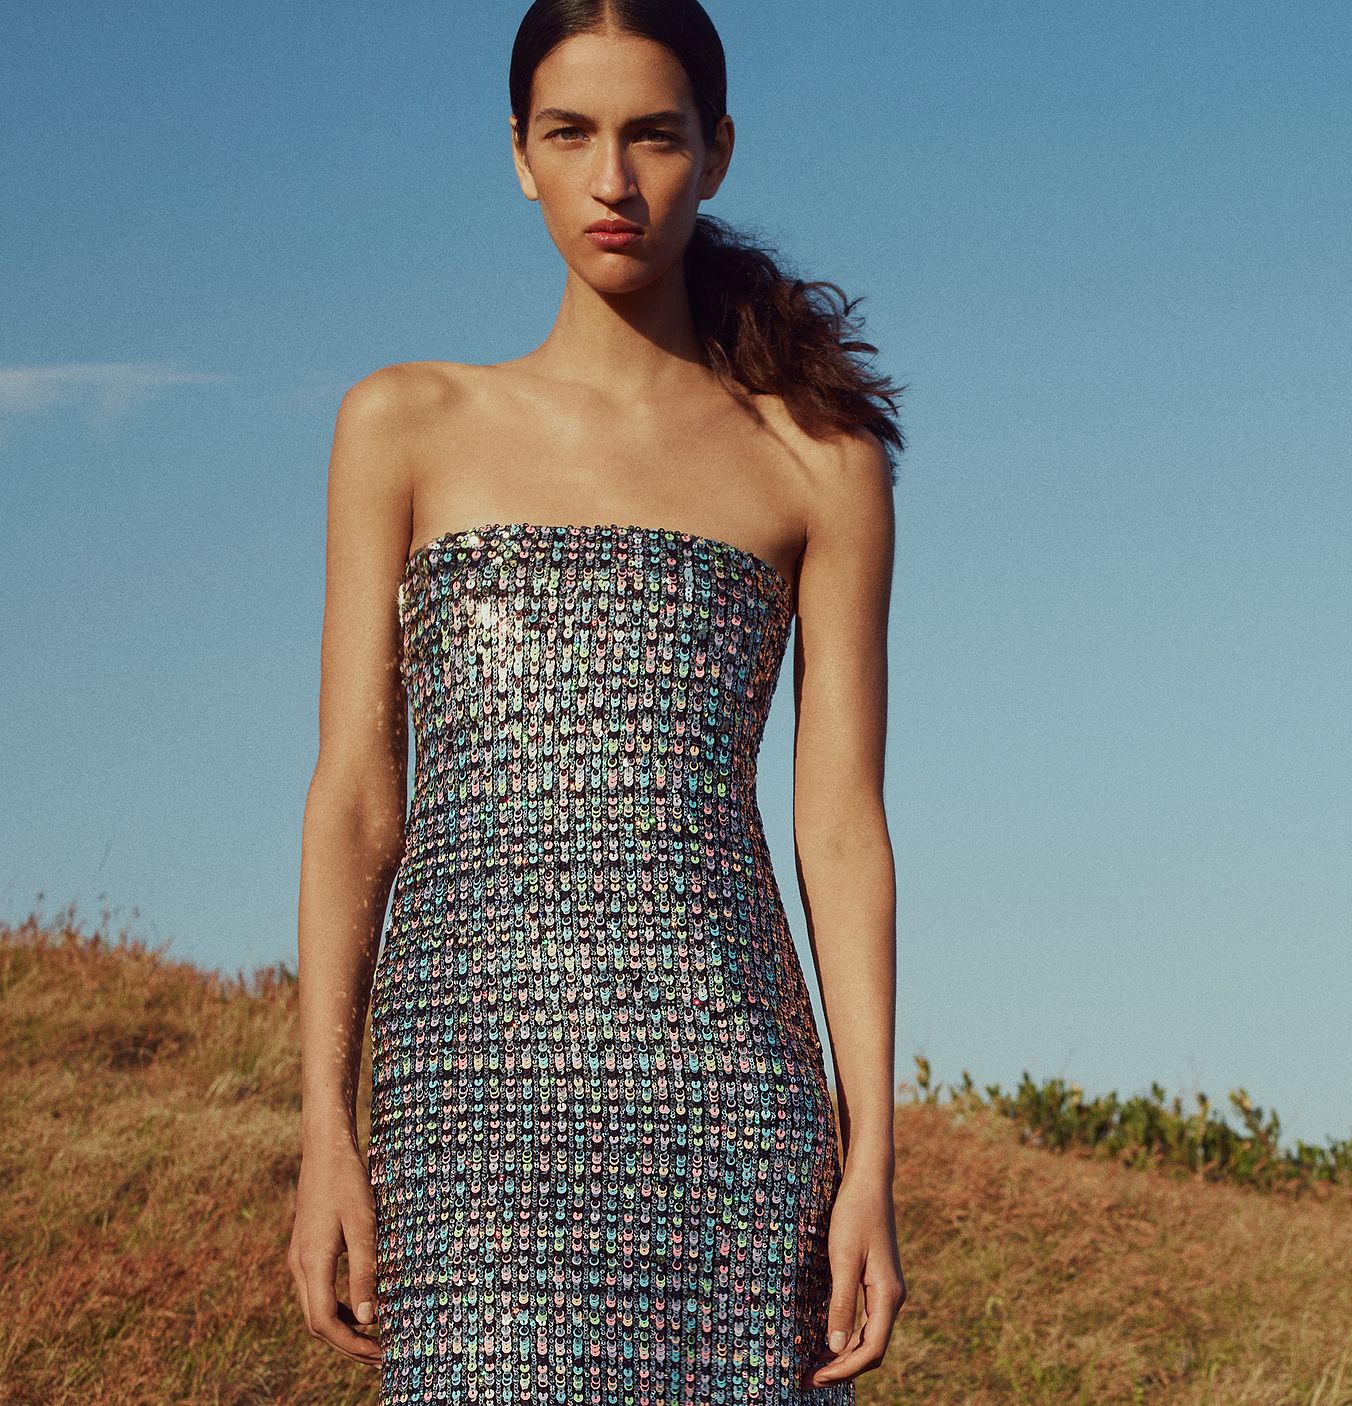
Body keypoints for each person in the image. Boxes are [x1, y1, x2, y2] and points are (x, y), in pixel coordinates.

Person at [284, 2, 902, 1399]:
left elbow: (843, 830)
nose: (612, 182)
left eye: (653, 137)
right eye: (570, 134)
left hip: (727, 1106)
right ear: (519, 154)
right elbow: (356, 803)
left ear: (718, 153)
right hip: (466, 1107)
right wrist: (327, 1126)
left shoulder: (821, 463)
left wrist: (871, 1160)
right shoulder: (404, 424)